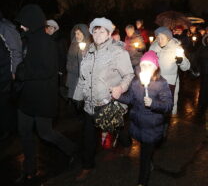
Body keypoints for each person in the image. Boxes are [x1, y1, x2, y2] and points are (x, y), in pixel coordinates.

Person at [14, 4, 77, 184]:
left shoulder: (46, 43)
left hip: (42, 97)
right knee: (24, 132)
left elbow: (49, 70)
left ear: (32, 22)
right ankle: (29, 170)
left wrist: (23, 73)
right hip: (26, 97)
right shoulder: (28, 39)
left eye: (24, 23)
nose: (21, 26)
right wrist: (20, 70)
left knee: (46, 133)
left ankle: (73, 151)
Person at [73, 17, 134, 181]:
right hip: (89, 105)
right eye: (95, 31)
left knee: (117, 128)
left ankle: (127, 143)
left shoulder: (118, 52)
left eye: (102, 31)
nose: (98, 34)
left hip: (107, 104)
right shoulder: (88, 51)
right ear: (91, 33)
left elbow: (128, 74)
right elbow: (83, 76)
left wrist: (120, 88)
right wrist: (77, 96)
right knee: (88, 138)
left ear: (108, 34)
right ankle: (87, 166)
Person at [116, 50, 173, 186]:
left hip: (152, 126)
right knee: (145, 151)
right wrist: (118, 97)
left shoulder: (162, 83)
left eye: (149, 65)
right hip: (137, 123)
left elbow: (168, 105)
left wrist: (154, 104)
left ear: (156, 67)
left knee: (144, 158)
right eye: (143, 65)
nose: (145, 68)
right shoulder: (136, 82)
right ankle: (149, 160)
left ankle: (142, 182)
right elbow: (130, 98)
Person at [150, 26, 190, 115]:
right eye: (158, 37)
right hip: (155, 82)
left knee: (165, 109)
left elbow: (186, 67)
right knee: (155, 108)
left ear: (168, 37)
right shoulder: (153, 47)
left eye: (162, 38)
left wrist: (181, 61)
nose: (159, 40)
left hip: (169, 83)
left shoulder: (176, 48)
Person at [0, 11, 22, 140]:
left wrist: (14, 72)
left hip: (5, 73)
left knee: (5, 103)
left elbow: (16, 50)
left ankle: (8, 130)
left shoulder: (4, 27)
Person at [66, 24, 91, 100]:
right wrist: (69, 66)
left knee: (80, 101)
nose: (76, 36)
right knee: (72, 99)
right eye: (75, 33)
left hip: (82, 79)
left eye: (79, 33)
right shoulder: (73, 45)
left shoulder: (89, 46)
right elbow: (69, 58)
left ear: (84, 34)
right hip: (72, 76)